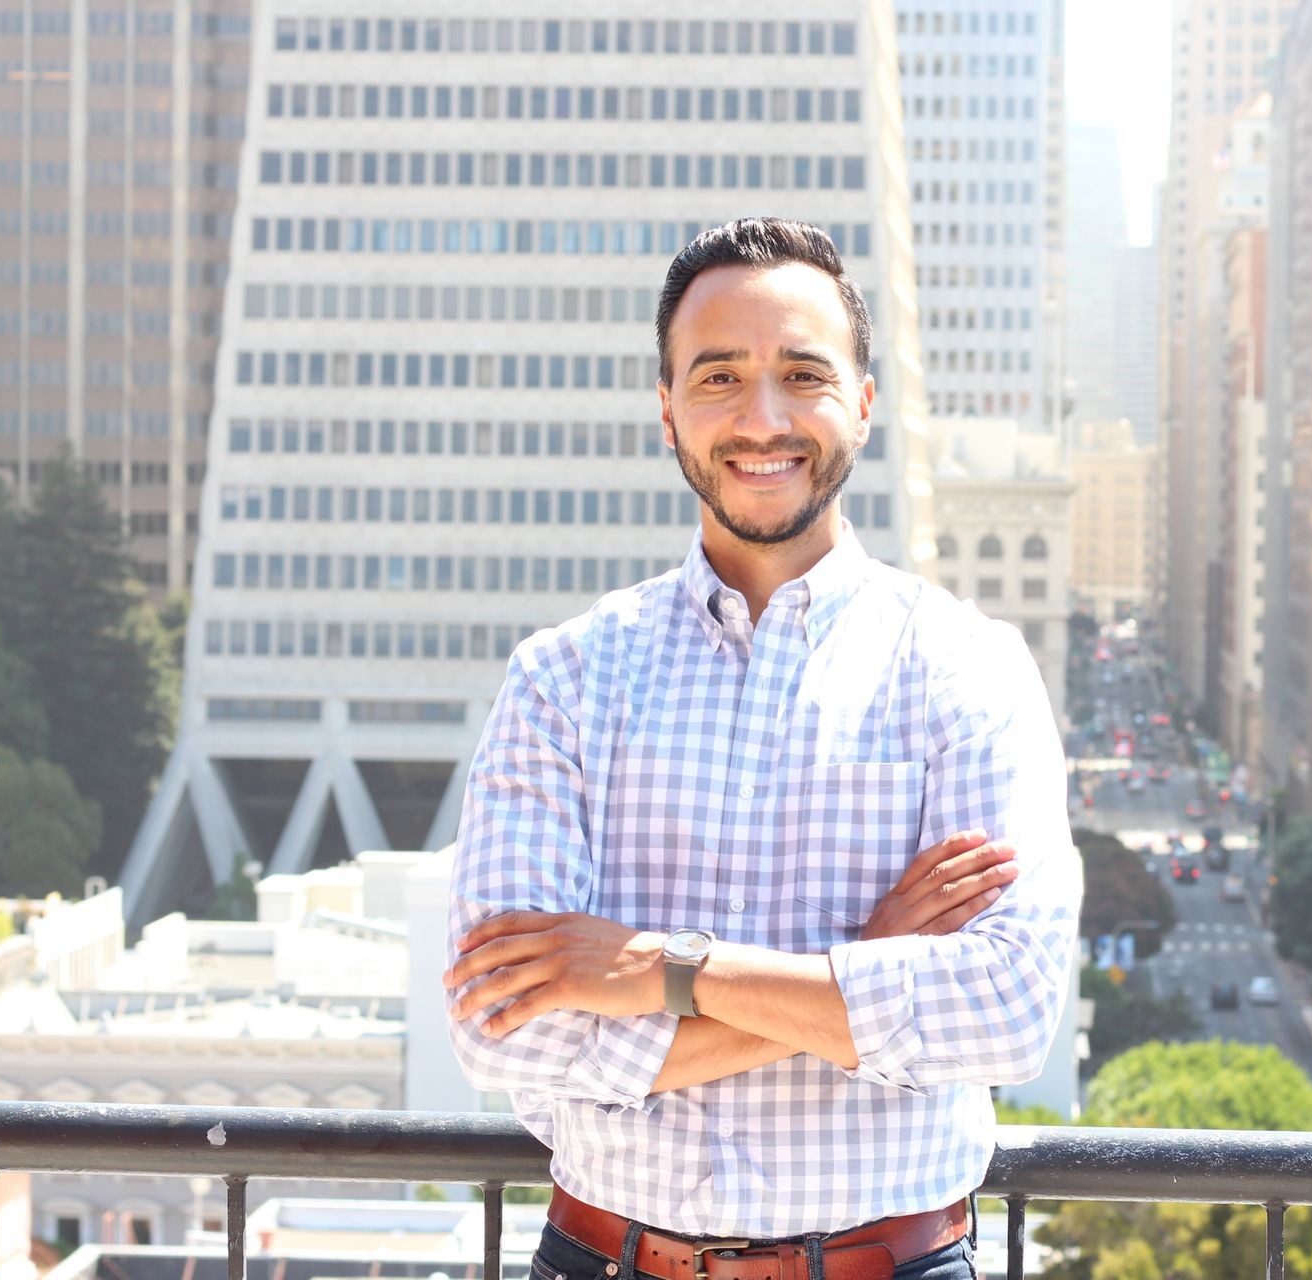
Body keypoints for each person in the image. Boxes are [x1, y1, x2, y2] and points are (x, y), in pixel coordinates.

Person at [443, 217, 1081, 1280]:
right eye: (719, 377)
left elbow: (1006, 1008)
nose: (763, 417)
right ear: (667, 411)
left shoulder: (968, 668)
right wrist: (867, 968)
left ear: (864, 401)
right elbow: (503, 1030)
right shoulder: (564, 677)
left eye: (802, 373)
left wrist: (661, 969)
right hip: (604, 1258)